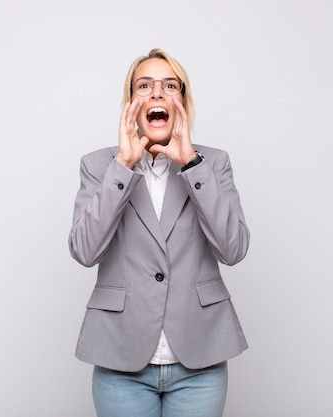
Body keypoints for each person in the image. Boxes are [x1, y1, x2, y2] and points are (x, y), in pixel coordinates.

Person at [68, 48, 250, 417]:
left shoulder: (213, 163)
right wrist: (123, 166)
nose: (156, 94)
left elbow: (233, 249)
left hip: (200, 360)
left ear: (183, 100)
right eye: (144, 86)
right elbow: (85, 250)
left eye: (170, 85)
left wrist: (192, 166)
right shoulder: (99, 165)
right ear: (129, 103)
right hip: (121, 360)